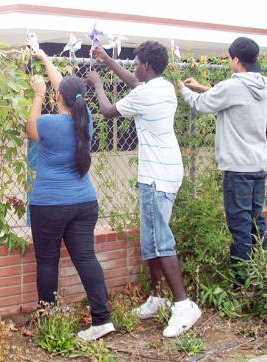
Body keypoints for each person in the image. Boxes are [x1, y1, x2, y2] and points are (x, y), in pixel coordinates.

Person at [87, 41, 201, 338]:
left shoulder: (146, 95)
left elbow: (108, 110)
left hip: (156, 175)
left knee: (160, 239)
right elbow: (136, 82)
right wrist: (108, 60)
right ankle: (158, 296)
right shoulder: (161, 87)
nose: (135, 66)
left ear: (146, 65)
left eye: (136, 62)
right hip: (166, 169)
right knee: (152, 238)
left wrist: (98, 82)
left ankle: (183, 304)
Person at [28, 49, 114, 341]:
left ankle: (49, 324)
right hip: (84, 202)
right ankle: (102, 320)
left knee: (48, 262)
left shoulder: (50, 124)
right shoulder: (84, 119)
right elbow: (63, 87)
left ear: (57, 98)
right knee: (86, 258)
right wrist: (45, 58)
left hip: (50, 205)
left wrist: (38, 94)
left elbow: (30, 128)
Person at [178, 37, 267, 286]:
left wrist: (185, 90)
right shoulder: (263, 83)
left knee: (240, 226)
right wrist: (201, 85)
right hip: (258, 165)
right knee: (256, 221)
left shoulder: (233, 87)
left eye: (230, 58)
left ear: (236, 60)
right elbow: (228, 96)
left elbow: (204, 105)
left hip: (238, 169)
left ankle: (241, 282)